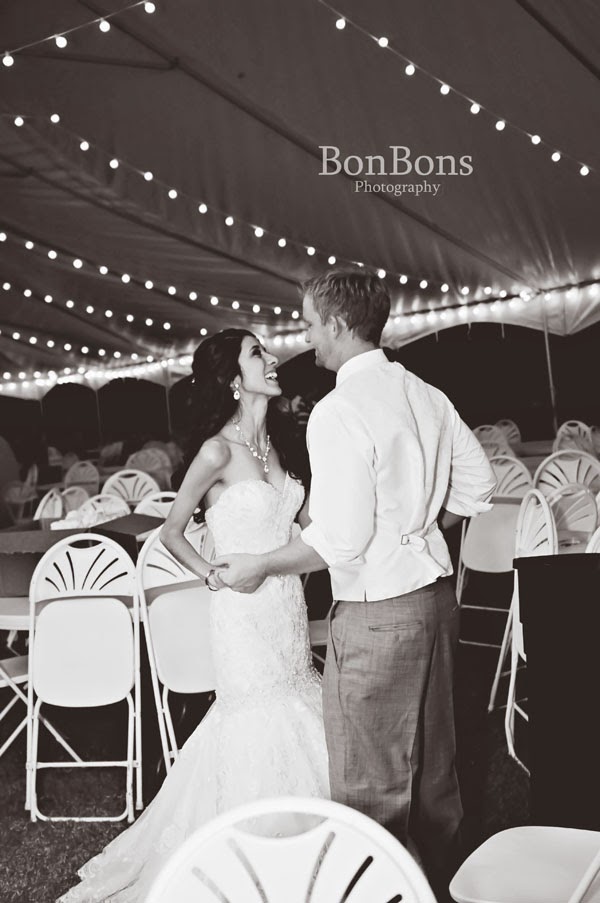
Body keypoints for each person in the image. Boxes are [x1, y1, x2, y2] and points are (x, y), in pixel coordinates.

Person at [215, 270, 496, 898]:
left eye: (311, 324)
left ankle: (383, 892)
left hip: (377, 616)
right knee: (436, 774)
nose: (307, 338)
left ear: (339, 325)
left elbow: (338, 540)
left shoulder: (338, 409)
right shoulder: (426, 393)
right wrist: (417, 531)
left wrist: (262, 565)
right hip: (436, 603)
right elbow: (479, 486)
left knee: (369, 787)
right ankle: (442, 888)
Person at [57, 328, 329, 903]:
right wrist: (211, 576)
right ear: (233, 380)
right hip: (242, 618)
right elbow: (172, 531)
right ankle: (253, 861)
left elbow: (303, 528)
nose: (272, 358)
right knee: (257, 722)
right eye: (257, 353)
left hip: (285, 607)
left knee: (297, 703)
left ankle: (312, 854)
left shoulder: (277, 445)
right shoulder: (216, 452)